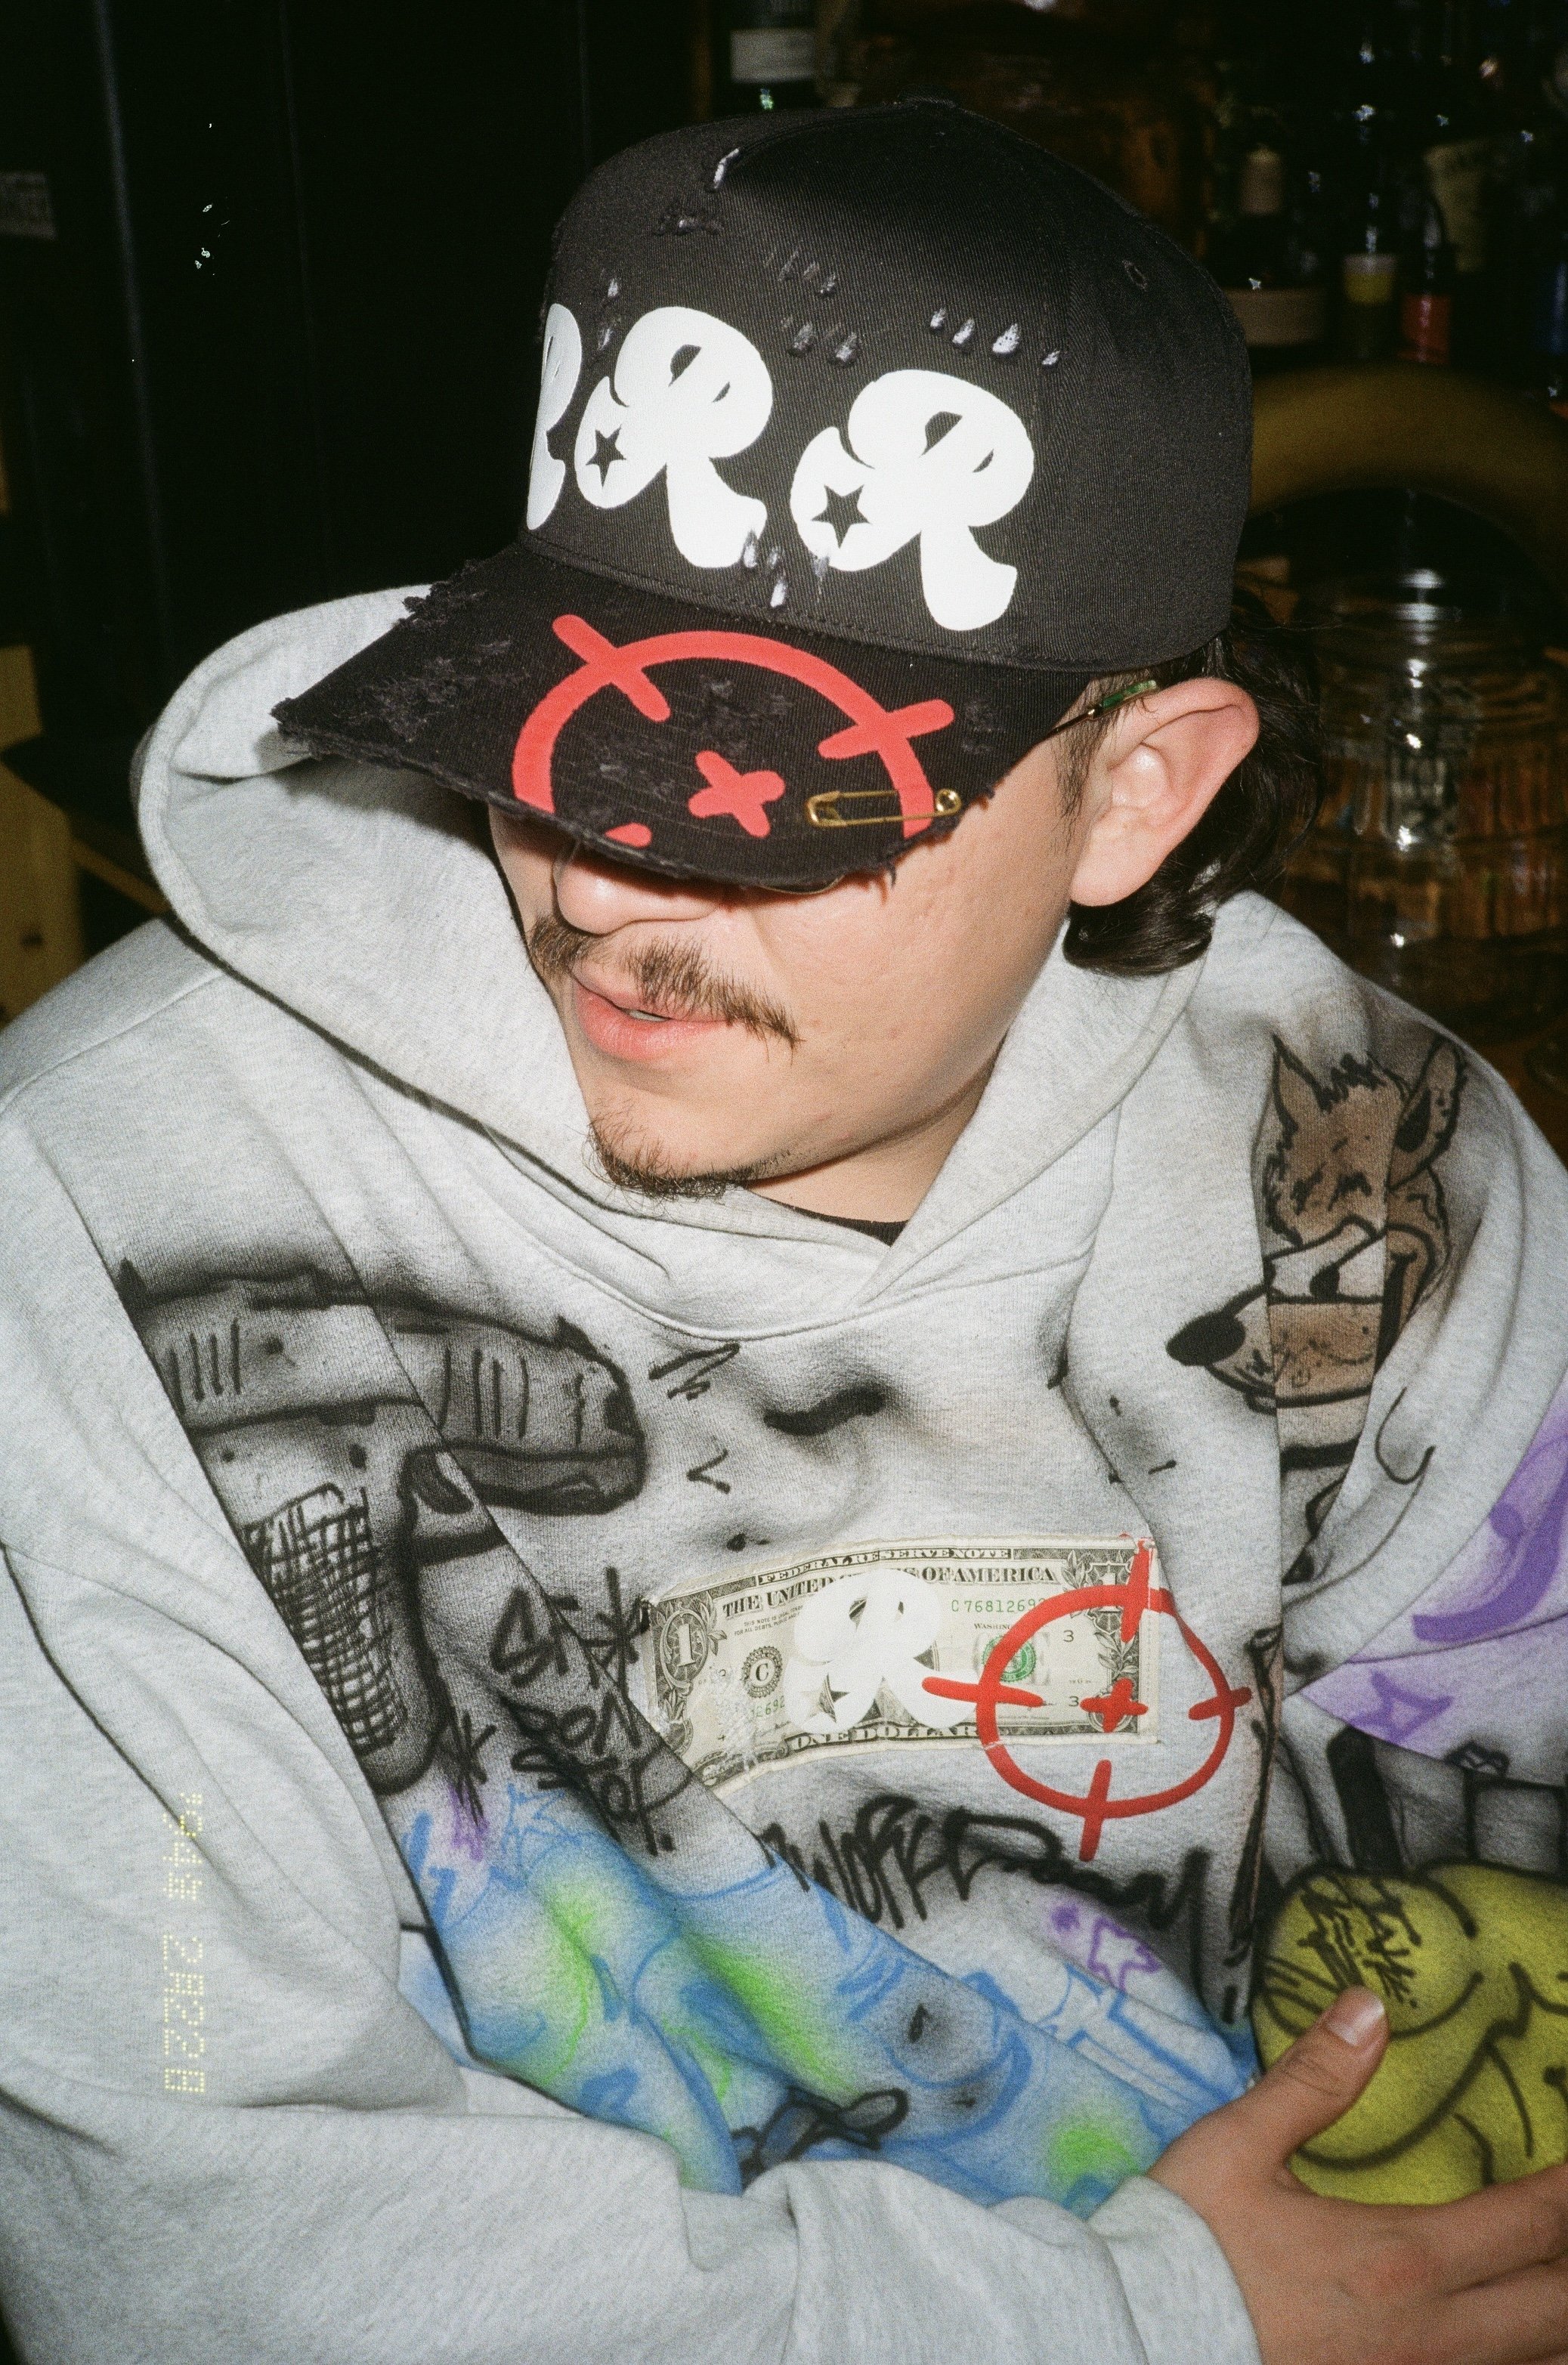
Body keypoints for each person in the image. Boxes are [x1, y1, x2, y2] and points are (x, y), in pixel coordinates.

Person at [1, 97, 1566, 2365]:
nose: (603, 881)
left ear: (1132, 791)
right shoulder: (110, 1214)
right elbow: (196, 2241)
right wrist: (1136, 2330)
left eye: (784, 795)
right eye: (556, 728)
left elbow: (1510, 1932)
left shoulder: (1371, 1167)